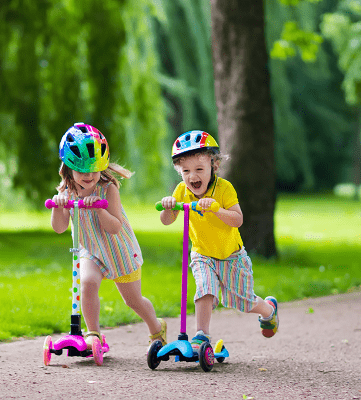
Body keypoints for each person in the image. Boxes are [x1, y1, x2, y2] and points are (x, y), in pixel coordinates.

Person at [159, 130, 278, 353]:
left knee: (243, 302)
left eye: (199, 169)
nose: (192, 176)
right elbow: (167, 220)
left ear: (213, 166)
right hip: (202, 254)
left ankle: (268, 310)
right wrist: (168, 206)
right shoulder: (181, 191)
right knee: (205, 289)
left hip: (232, 256)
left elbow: (238, 219)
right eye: (185, 171)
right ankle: (201, 336)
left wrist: (217, 209)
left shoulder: (224, 188)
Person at [50, 122, 166, 350]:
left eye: (93, 169)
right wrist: (58, 206)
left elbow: (114, 227)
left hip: (118, 250)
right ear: (68, 167)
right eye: (82, 170)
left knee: (133, 301)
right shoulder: (66, 190)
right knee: (87, 282)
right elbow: (59, 228)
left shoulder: (108, 189)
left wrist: (99, 209)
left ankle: (156, 327)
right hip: (91, 249)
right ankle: (93, 334)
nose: (88, 175)